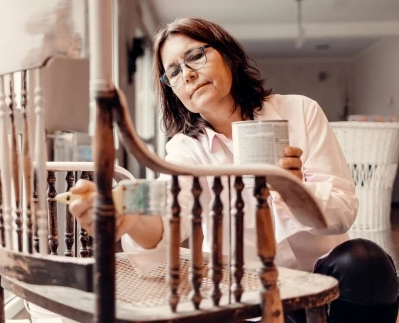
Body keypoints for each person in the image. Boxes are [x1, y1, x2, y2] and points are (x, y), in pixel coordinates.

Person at [69, 18, 398, 322]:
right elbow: (169, 214)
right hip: (247, 289)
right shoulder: (186, 149)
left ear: (228, 54)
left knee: (366, 261)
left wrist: (293, 189)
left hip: (321, 282)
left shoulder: (299, 112)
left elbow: (341, 212)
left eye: (195, 56)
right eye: (174, 72)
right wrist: (129, 220)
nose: (188, 74)